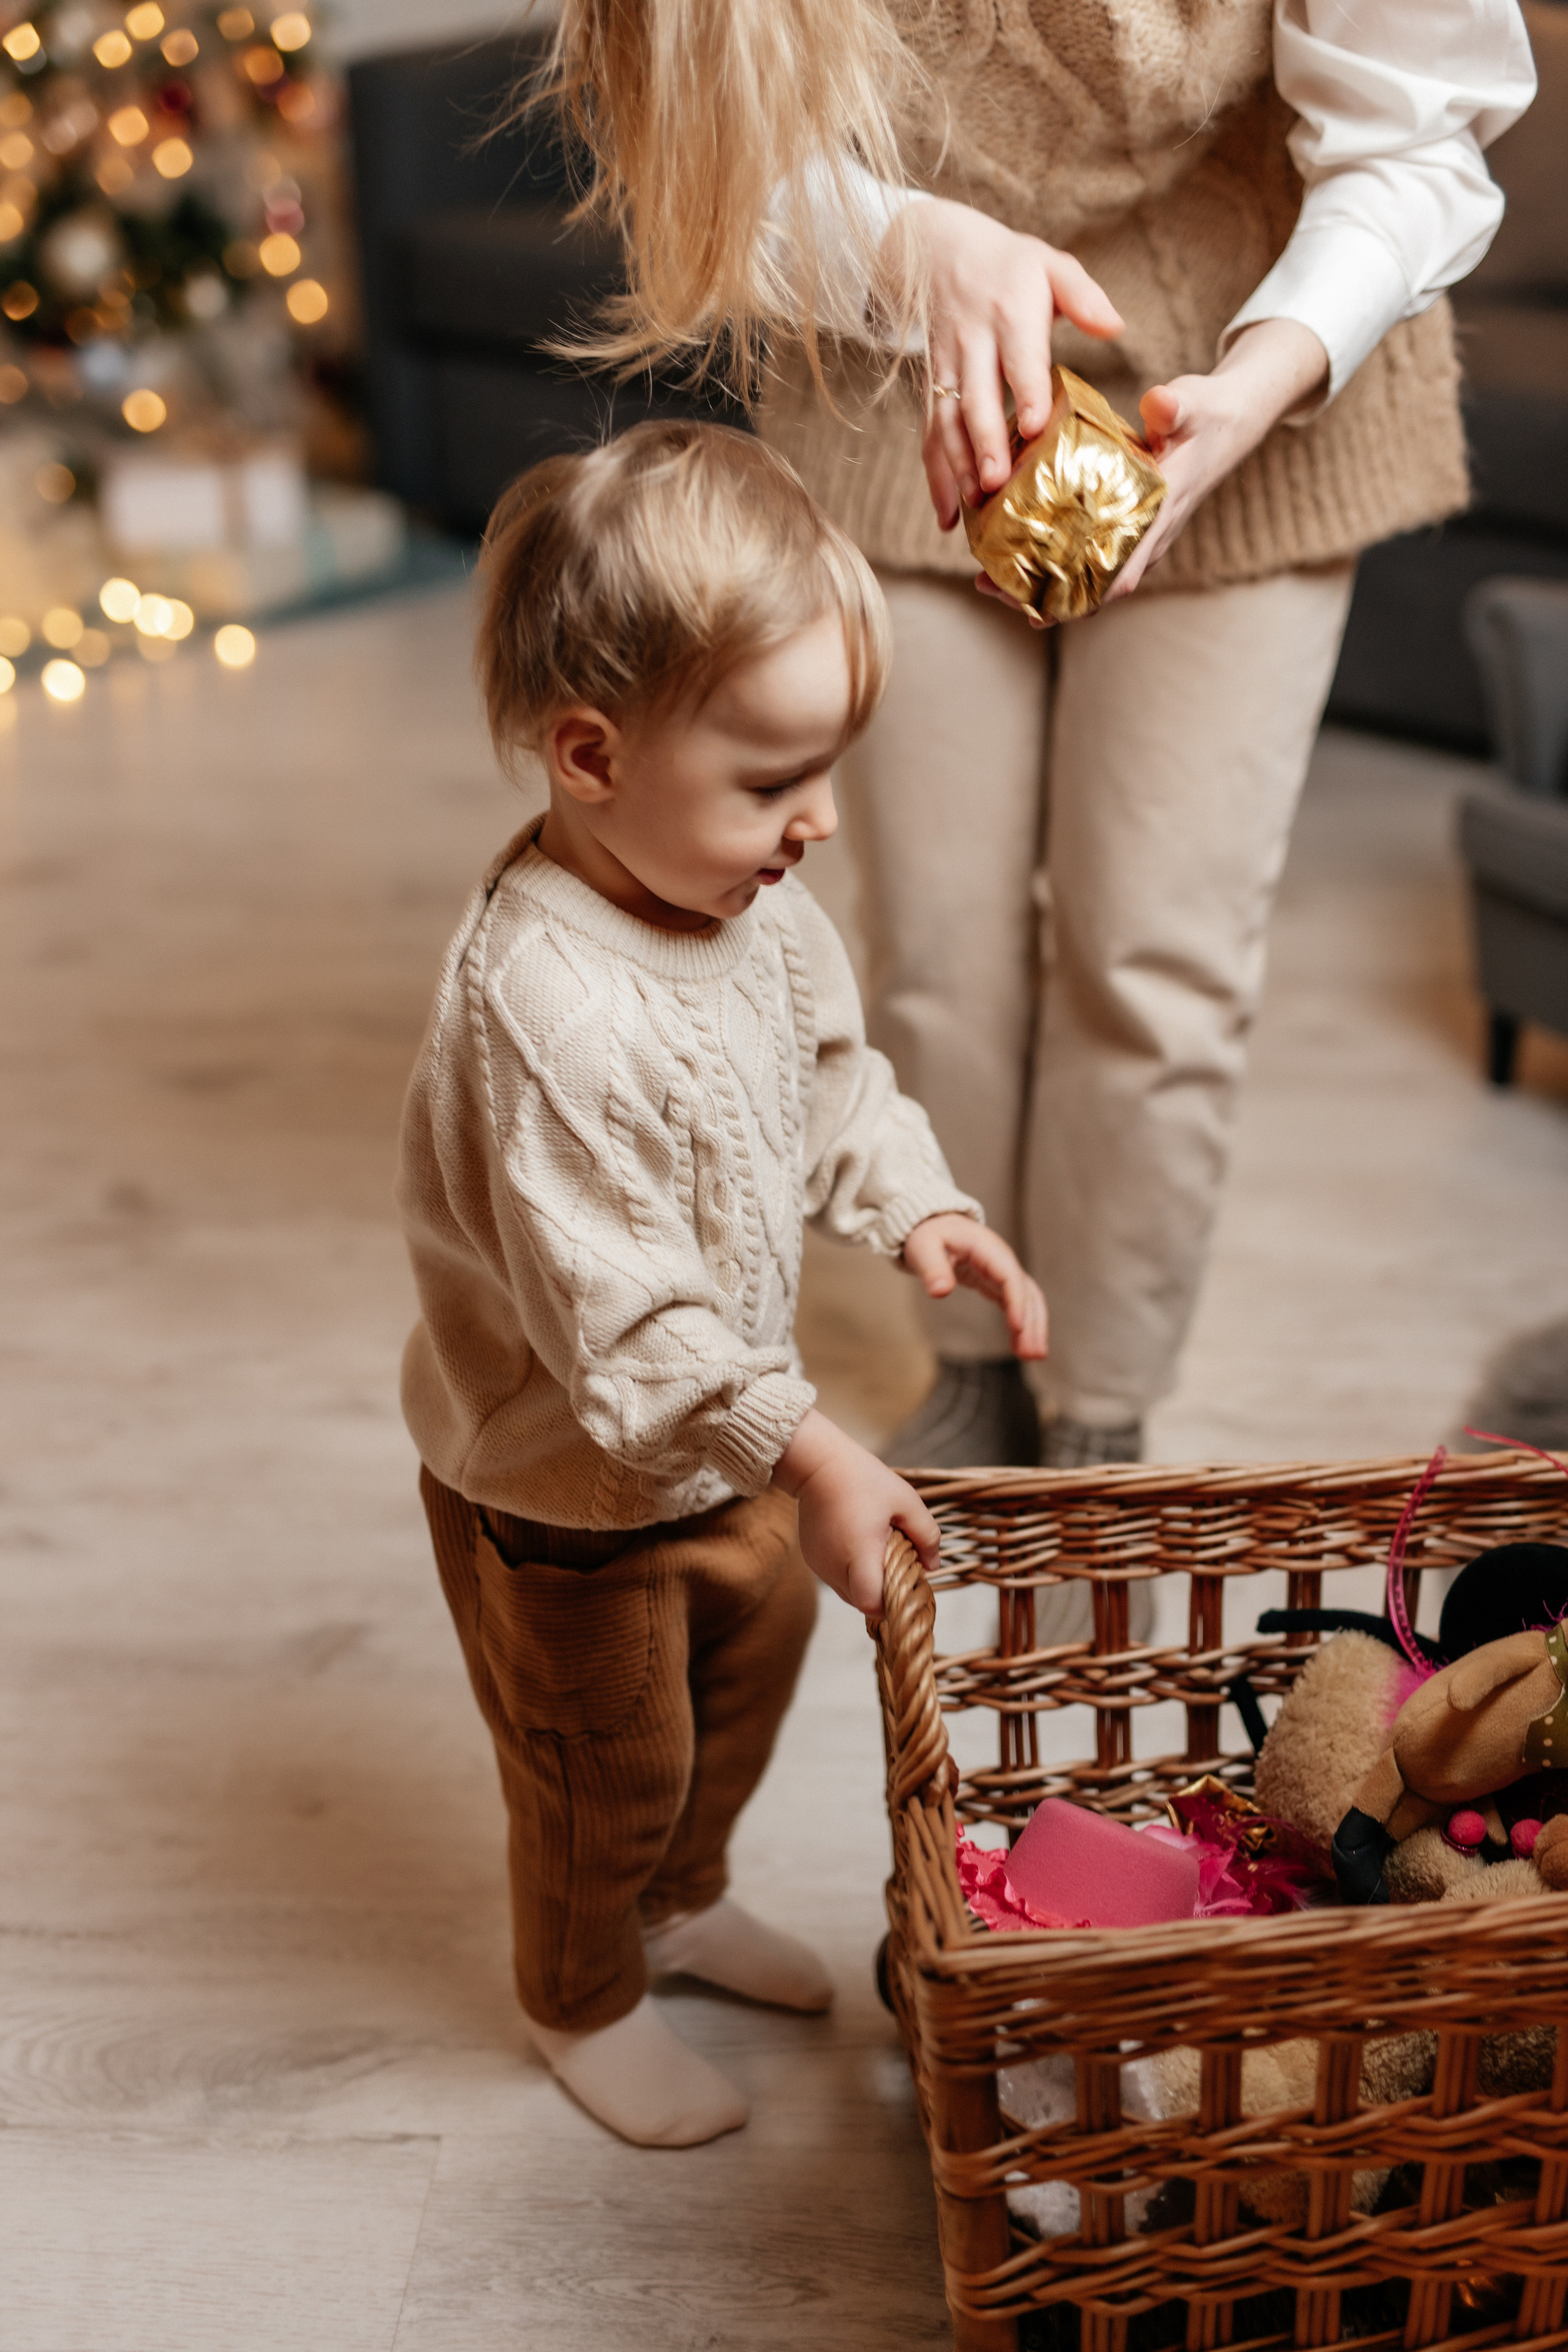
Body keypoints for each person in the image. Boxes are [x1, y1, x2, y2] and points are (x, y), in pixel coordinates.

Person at [542, 0, 1536, 1469]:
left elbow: (1415, 138)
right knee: (940, 943)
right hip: (896, 378)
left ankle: (1098, 1403)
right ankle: (973, 1354)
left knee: (1156, 954)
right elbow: (710, 153)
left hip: (1265, 360)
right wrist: (910, 250)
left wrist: (1260, 377)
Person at [396, 420, 1046, 2148]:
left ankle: (683, 1906)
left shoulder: (750, 902)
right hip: (570, 1483)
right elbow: (626, 1333)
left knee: (741, 1692)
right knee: (605, 1766)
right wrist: (821, 1451)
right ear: (589, 752)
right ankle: (581, 1988)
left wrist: (915, 1203)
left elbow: (828, 1079)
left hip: (732, 1443)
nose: (818, 823)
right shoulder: (544, 1008)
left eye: (826, 769)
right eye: (771, 780)